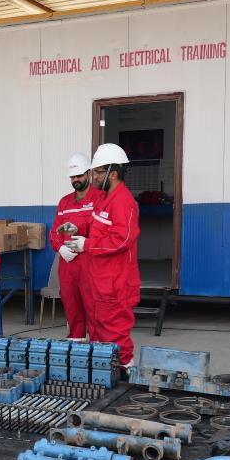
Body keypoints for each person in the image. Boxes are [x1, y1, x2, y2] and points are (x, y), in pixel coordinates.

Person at [64, 143, 141, 368]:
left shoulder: (123, 201)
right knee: (98, 331)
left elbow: (122, 240)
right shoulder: (105, 199)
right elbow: (96, 227)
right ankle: (105, 373)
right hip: (101, 281)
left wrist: (87, 245)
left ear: (112, 173)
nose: (94, 177)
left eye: (98, 172)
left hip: (116, 284)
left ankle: (125, 372)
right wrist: (78, 229)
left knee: (115, 335)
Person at [49, 153, 105, 340]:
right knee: (72, 309)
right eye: (72, 177)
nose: (76, 180)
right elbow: (55, 233)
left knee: (94, 309)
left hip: (91, 264)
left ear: (89, 173)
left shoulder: (100, 198)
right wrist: (60, 248)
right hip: (68, 265)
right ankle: (75, 344)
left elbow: (102, 232)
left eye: (79, 175)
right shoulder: (64, 202)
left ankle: (97, 349)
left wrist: (84, 239)